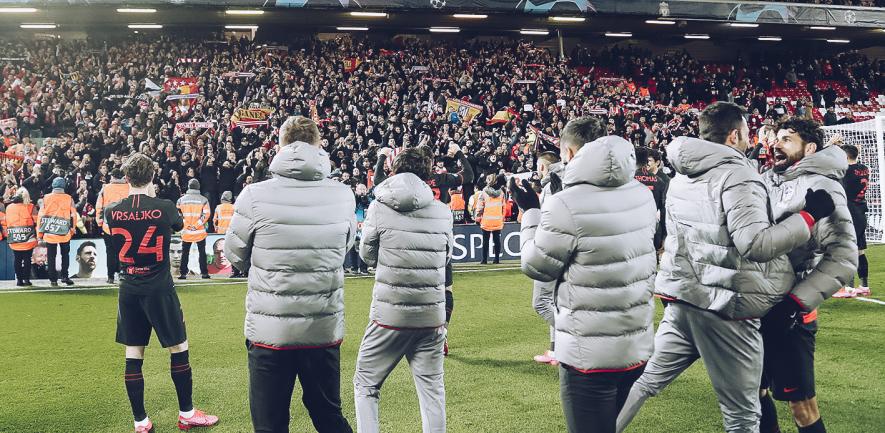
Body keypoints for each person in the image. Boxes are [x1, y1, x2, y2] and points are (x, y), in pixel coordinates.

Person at [616, 102, 836, 433]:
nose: (751, 140)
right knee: (743, 414)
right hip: (726, 306)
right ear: (734, 135)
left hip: (683, 299)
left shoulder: (680, 175)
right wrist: (807, 217)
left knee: (644, 383)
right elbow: (755, 244)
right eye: (747, 133)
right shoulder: (738, 174)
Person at [512, 116, 658, 433]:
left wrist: (531, 213)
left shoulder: (566, 203)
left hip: (589, 355)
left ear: (569, 152)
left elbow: (536, 265)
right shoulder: (642, 193)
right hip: (636, 347)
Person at [225, 116, 356, 433]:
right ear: (318, 144)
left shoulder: (254, 195)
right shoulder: (342, 195)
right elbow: (345, 247)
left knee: (270, 424)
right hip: (321, 328)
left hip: (271, 330)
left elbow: (234, 255)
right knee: (329, 417)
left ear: (280, 145)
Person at [105, 153, 218, 433]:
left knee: (134, 353)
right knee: (178, 347)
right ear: (153, 177)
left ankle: (141, 422)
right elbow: (178, 225)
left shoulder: (111, 209)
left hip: (129, 287)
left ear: (127, 178)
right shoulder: (164, 207)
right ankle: (187, 413)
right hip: (159, 288)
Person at [758, 119, 857, 433]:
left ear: (810, 148)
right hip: (755, 306)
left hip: (790, 314)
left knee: (801, 405)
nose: (776, 144)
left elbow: (843, 257)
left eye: (786, 139)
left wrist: (793, 304)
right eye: (776, 138)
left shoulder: (822, 184)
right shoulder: (766, 180)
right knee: (752, 395)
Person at [353, 147, 454, 433]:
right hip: (432, 315)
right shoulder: (442, 211)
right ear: (428, 173)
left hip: (390, 314)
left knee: (366, 384)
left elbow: (366, 255)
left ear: (395, 170)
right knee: (432, 391)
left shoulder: (379, 206)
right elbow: (445, 258)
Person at [375, 144, 473, 356]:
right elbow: (470, 175)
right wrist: (458, 153)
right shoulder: (442, 179)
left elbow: (377, 182)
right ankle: (441, 332)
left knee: (404, 284)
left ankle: (401, 332)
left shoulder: (403, 184)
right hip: (437, 235)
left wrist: (381, 158)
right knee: (444, 290)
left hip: (406, 234)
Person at [531, 152, 563, 366]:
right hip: (558, 247)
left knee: (541, 303)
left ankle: (572, 339)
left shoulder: (553, 185)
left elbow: (551, 219)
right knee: (553, 302)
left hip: (551, 249)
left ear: (544, 167)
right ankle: (555, 350)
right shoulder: (557, 183)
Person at [837, 143, 870, 297]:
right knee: (860, 250)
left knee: (847, 250)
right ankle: (864, 286)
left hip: (849, 212)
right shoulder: (864, 168)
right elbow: (854, 161)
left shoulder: (844, 172)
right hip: (861, 211)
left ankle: (848, 288)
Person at [37, 177, 79, 286]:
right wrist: (72, 229)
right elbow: (74, 215)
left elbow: (41, 216)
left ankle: (53, 280)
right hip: (64, 232)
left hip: (50, 232)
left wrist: (39, 234)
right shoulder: (69, 198)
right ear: (64, 186)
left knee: (51, 256)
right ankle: (65, 276)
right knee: (65, 255)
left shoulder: (45, 198)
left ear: (53, 185)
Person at [96, 169, 130, 284]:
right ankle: (124, 275)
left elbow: (99, 207)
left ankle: (110, 277)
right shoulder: (130, 188)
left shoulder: (105, 188)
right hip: (127, 227)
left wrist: (100, 222)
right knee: (125, 252)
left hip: (109, 227)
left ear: (113, 177)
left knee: (110, 252)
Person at [3, 188, 38, 286]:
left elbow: (6, 222)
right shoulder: (31, 207)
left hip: (14, 237)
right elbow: (36, 222)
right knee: (27, 259)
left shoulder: (9, 207)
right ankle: (26, 279)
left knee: (17, 259)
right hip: (28, 238)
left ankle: (19, 280)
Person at [177, 179, 210, 280]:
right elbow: (206, 214)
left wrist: (186, 225)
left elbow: (178, 215)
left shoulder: (181, 200)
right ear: (198, 187)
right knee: (202, 252)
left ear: (188, 186)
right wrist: (196, 225)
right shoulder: (204, 200)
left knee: (185, 252)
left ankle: (183, 273)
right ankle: (204, 273)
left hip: (186, 231)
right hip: (199, 231)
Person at [475, 173, 505, 265]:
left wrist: (478, 217)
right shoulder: (501, 193)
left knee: (485, 241)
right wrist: (502, 217)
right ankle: (496, 259)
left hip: (487, 219)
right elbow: (504, 207)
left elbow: (480, 206)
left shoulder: (484, 192)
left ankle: (484, 260)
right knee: (497, 240)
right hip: (497, 219)